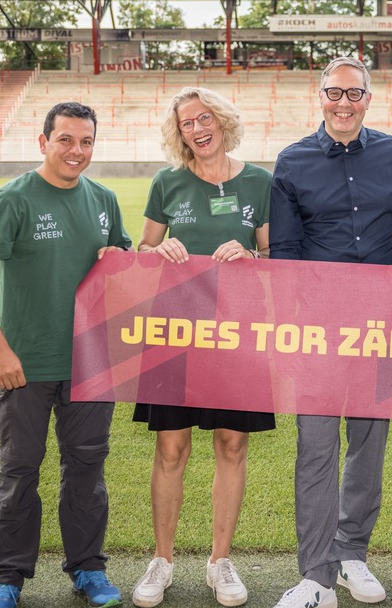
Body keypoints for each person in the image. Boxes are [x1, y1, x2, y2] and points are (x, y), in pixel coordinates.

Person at [0, 102, 131, 608]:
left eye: (86, 142)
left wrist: (118, 257)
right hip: (27, 366)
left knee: (87, 472)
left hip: (92, 364)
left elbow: (119, 261)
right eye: (65, 140)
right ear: (43, 142)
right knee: (20, 473)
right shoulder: (14, 199)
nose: (76, 151)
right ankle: (8, 578)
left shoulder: (104, 199)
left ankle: (88, 569)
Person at [268, 56, 392, 608]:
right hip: (317, 328)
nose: (344, 103)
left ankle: (351, 551)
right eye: (334, 93)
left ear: (368, 99)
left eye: (354, 94)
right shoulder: (291, 161)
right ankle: (315, 575)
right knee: (315, 447)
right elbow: (284, 252)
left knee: (367, 444)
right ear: (320, 96)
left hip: (381, 324)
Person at [129, 87, 275, 608]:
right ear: (179, 132)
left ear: (222, 122)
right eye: (187, 122)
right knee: (171, 447)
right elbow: (140, 249)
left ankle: (219, 562)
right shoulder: (167, 182)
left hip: (237, 331)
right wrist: (157, 248)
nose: (197, 128)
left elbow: (274, 252)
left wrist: (254, 254)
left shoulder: (260, 181)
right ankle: (162, 561)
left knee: (232, 444)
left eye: (205, 117)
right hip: (175, 329)